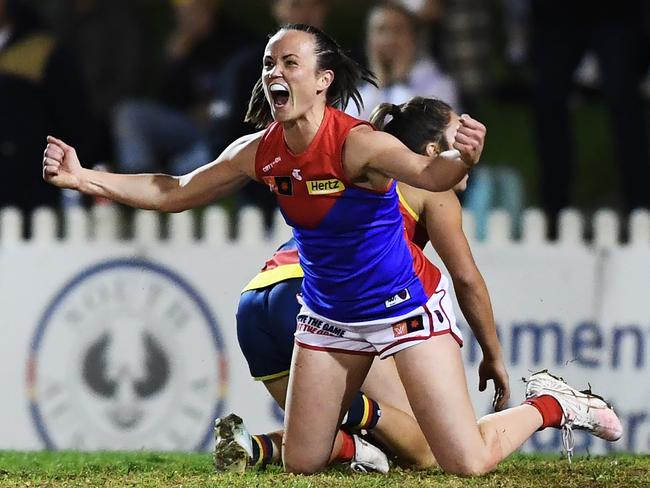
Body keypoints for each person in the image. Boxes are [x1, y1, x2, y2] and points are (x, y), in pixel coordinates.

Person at [43, 24, 621, 475]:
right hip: (327, 320)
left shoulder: (358, 145)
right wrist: (83, 177)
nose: (275, 71)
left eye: (289, 62)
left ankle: (555, 404)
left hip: (404, 312)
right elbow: (173, 192)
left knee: (463, 461)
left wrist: (462, 160)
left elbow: (428, 171)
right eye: (270, 62)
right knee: (302, 461)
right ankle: (365, 452)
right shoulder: (261, 150)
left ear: (322, 81)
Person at [214, 96, 510, 473]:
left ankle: (257, 449)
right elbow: (466, 279)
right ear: (434, 151)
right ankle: (553, 406)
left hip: (258, 302)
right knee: (422, 449)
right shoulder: (427, 185)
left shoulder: (360, 163)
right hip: (319, 300)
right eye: (458, 136)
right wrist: (493, 353)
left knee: (318, 442)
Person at [346, 1, 459, 120]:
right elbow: (349, 127)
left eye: (398, 29)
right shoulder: (358, 86)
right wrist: (377, 82)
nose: (389, 39)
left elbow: (409, 129)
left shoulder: (438, 83)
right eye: (381, 30)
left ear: (414, 38)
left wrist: (400, 81)